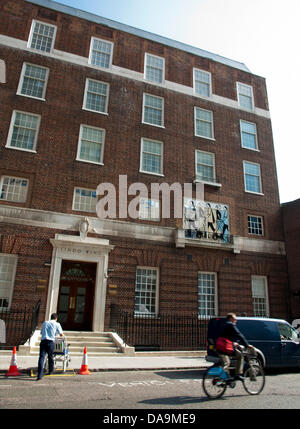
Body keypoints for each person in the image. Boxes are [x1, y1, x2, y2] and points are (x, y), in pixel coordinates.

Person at [217, 312, 253, 381]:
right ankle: (227, 378)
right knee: (227, 363)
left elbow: (226, 336)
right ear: (231, 319)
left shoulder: (224, 324)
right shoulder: (230, 325)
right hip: (224, 347)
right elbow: (239, 334)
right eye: (234, 319)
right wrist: (247, 345)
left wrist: (233, 343)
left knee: (239, 355)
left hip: (224, 346)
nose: (236, 321)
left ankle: (229, 378)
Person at [37, 313, 64, 380]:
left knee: (42, 357)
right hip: (50, 342)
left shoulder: (45, 323)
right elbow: (61, 334)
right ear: (56, 318)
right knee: (50, 356)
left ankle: (40, 374)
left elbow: (41, 332)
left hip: (43, 341)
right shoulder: (57, 324)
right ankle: (50, 370)